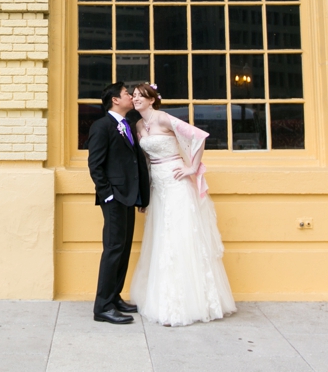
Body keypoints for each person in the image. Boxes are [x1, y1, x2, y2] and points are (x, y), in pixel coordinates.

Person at [129, 83, 236, 326]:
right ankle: (160, 298)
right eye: (133, 96)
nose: (135, 99)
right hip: (157, 184)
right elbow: (144, 161)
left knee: (178, 236)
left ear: (152, 99)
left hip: (176, 182)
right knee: (160, 237)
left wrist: (191, 168)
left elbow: (198, 136)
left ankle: (189, 302)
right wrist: (144, 195)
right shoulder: (138, 125)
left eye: (140, 96)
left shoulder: (164, 119)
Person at [86, 82, 150, 324]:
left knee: (122, 249)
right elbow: (96, 165)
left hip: (129, 196)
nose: (131, 98)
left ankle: (114, 297)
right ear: (114, 100)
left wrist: (141, 195)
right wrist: (108, 194)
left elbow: (134, 163)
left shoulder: (127, 125)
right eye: (126, 94)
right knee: (113, 249)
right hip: (114, 198)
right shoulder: (102, 126)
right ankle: (102, 306)